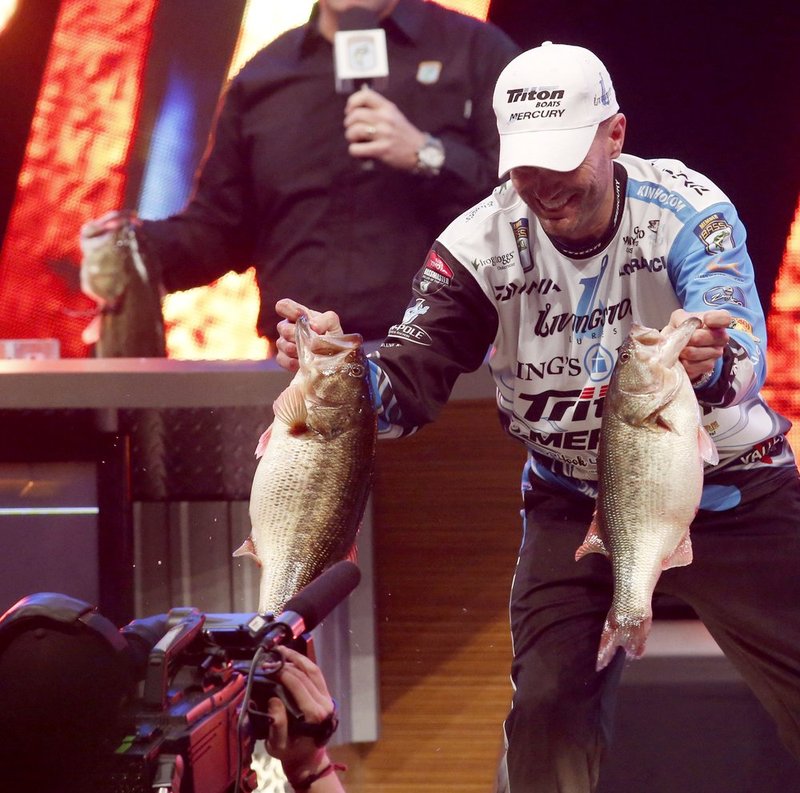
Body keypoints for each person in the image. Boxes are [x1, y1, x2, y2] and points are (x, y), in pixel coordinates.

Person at [272, 42, 800, 792]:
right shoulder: (475, 245)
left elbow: (745, 348)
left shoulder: (689, 211)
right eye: (525, 168)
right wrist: (337, 368)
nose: (545, 189)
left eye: (562, 162)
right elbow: (408, 382)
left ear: (615, 135)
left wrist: (714, 364)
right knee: (547, 710)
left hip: (733, 487)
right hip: (569, 499)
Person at [80, 0, 520, 355]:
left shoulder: (476, 53)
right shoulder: (265, 76)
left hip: (448, 361)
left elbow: (529, 204)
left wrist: (428, 154)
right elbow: (220, 229)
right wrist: (131, 251)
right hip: (299, 364)